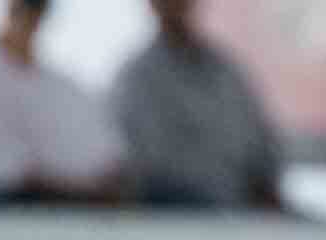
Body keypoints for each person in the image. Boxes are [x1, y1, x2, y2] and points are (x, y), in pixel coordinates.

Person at [114, 0, 285, 216]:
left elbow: (262, 149)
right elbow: (145, 169)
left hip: (242, 212)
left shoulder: (228, 72)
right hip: (177, 216)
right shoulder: (136, 78)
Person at [0, 0, 120, 206]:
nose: (28, 18)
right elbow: (9, 175)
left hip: (70, 212)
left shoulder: (64, 86)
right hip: (2, 210)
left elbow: (107, 158)